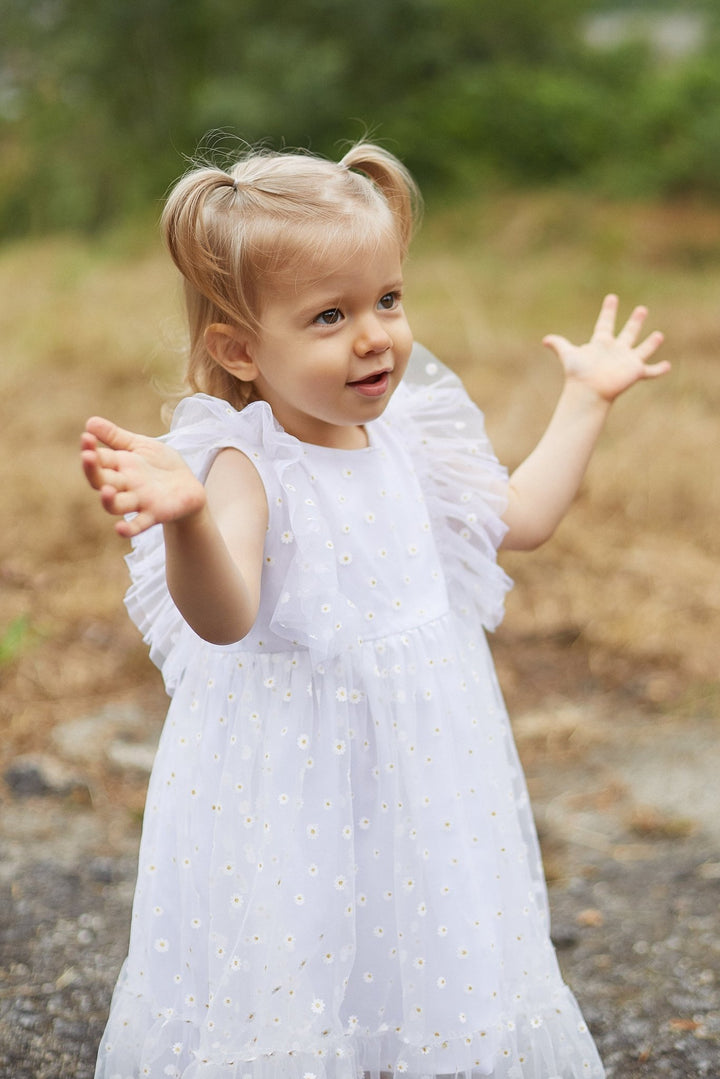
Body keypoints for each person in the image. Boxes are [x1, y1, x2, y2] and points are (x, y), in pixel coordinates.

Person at [81, 141, 669, 1079]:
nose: (375, 336)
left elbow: (522, 517)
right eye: (330, 315)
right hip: (292, 784)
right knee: (302, 953)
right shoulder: (246, 464)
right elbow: (224, 616)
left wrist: (586, 400)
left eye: (387, 299)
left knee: (422, 942)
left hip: (424, 771)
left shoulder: (410, 437)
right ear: (240, 348)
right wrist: (188, 520)